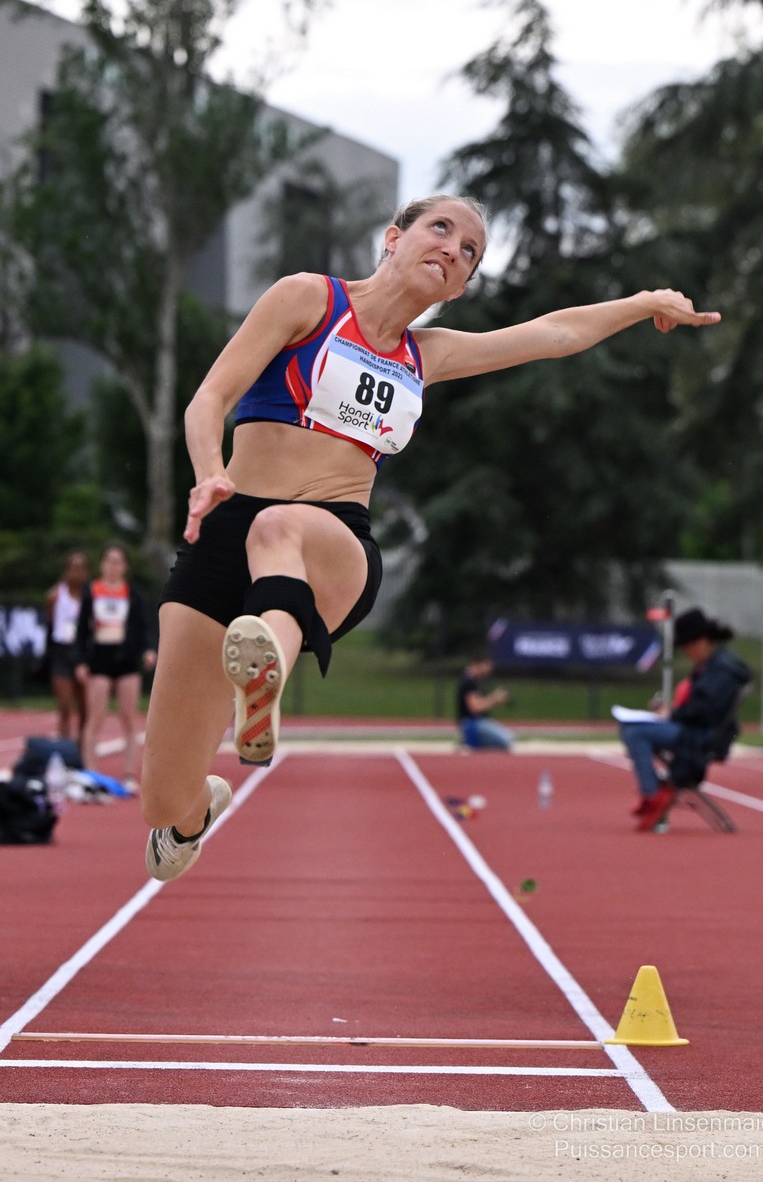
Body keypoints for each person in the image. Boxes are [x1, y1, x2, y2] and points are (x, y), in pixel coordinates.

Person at [139, 192, 721, 881]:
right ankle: (196, 811)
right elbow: (209, 398)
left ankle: (266, 680)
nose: (452, 248)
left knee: (280, 526)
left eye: (469, 251)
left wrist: (643, 302)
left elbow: (555, 334)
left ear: (462, 286)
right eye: (440, 229)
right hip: (224, 526)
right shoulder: (308, 299)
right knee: (161, 801)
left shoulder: (430, 355)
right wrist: (210, 474)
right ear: (394, 237)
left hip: (333, 542)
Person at [618, 607, 752, 831]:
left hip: (701, 734)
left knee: (635, 731)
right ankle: (654, 792)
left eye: (689, 645)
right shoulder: (713, 665)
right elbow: (700, 706)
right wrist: (672, 712)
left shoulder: (722, 670)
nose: (688, 651)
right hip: (695, 728)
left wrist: (672, 714)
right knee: (630, 727)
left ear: (703, 641)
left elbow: (705, 710)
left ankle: (653, 794)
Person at [75, 543, 158, 791]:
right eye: (109, 561)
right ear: (102, 565)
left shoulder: (133, 593)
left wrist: (148, 649)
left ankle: (129, 774)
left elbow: (144, 626)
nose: (113, 567)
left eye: (118, 562)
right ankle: (90, 772)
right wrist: (81, 661)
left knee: (129, 717)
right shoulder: (92, 591)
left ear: (125, 566)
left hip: (126, 659)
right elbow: (81, 629)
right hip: (99, 659)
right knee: (95, 716)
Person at [45, 550, 90, 742]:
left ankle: (81, 748)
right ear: (66, 570)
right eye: (73, 568)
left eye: (81, 569)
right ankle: (64, 749)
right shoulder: (55, 595)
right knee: (64, 706)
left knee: (85, 708)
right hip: (62, 651)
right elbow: (49, 624)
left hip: (82, 652)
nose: (77, 573)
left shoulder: (90, 595)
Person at [456, 652, 514, 750]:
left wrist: (493, 697)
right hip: (472, 724)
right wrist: (495, 699)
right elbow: (475, 707)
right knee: (506, 740)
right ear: (479, 664)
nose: (489, 669)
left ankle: (470, 743)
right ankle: (469, 743)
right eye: (487, 665)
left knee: (508, 738)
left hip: (474, 723)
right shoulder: (468, 681)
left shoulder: (470, 680)